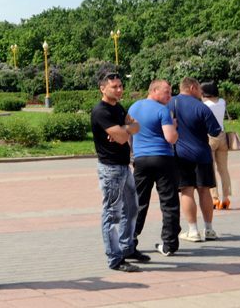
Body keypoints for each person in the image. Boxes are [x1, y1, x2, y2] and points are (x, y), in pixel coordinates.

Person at [90, 72, 141, 272]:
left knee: (132, 208)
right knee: (112, 214)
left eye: (120, 86)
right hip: (111, 169)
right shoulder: (100, 111)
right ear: (103, 89)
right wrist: (125, 129)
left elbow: (136, 126)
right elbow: (122, 137)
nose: (119, 90)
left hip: (124, 166)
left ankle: (127, 248)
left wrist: (124, 128)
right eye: (114, 87)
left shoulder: (118, 107)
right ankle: (114, 258)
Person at [127, 79, 179, 257]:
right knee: (169, 201)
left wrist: (134, 152)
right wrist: (175, 127)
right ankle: (169, 244)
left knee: (139, 202)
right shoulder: (162, 110)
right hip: (163, 158)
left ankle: (130, 240)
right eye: (167, 92)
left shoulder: (133, 107)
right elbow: (170, 138)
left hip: (141, 160)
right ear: (154, 90)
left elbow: (129, 134)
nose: (169, 95)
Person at [172, 77, 222, 241]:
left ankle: (193, 231)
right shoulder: (202, 108)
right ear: (192, 87)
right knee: (204, 190)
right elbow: (215, 131)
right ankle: (209, 229)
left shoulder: (170, 104)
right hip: (202, 155)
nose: (201, 92)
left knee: (186, 191)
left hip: (180, 155)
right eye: (199, 89)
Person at [201, 81, 232, 210]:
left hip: (210, 137)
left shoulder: (204, 105)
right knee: (223, 169)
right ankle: (226, 198)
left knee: (211, 169)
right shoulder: (222, 102)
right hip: (222, 136)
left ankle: (215, 198)